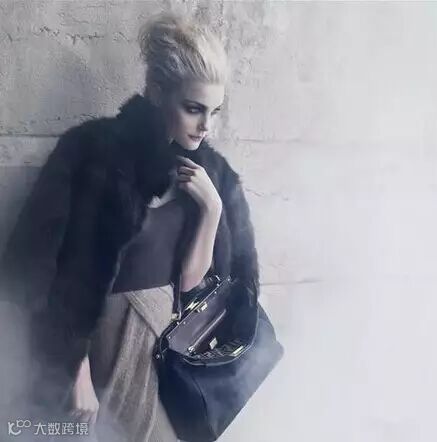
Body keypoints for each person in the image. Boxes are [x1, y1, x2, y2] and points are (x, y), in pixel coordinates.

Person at [0, 10, 268, 442]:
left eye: (214, 112)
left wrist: (213, 210)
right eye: (194, 109)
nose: (206, 126)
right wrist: (74, 370)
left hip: (167, 353)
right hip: (102, 348)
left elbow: (194, 289)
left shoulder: (211, 175)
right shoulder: (92, 152)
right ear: (157, 91)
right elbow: (37, 270)